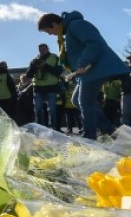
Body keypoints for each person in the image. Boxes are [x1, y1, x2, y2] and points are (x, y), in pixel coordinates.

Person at [37, 11, 126, 140]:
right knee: (76, 100)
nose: (50, 34)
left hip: (96, 70)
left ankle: (90, 136)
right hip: (88, 72)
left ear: (54, 24)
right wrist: (75, 72)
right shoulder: (68, 31)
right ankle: (109, 130)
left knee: (85, 101)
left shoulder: (76, 25)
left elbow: (94, 43)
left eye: (48, 31)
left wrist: (83, 63)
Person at [21, 43, 62, 130]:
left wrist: (45, 65)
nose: (42, 51)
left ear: (48, 49)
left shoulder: (54, 57)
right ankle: (41, 129)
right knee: (38, 110)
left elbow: (59, 71)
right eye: (40, 50)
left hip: (51, 87)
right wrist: (34, 66)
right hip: (38, 88)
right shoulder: (34, 60)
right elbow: (28, 75)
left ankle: (55, 129)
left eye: (43, 49)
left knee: (52, 110)